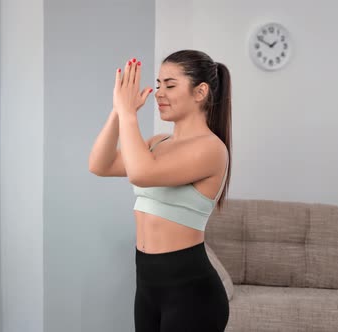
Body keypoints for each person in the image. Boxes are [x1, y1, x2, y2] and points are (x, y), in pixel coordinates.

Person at [88, 49, 232, 331]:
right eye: (157, 84)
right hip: (147, 287)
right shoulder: (157, 143)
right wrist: (118, 112)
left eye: (170, 85)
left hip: (191, 294)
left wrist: (130, 115)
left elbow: (142, 174)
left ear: (200, 92)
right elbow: (100, 165)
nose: (158, 93)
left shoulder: (211, 149)